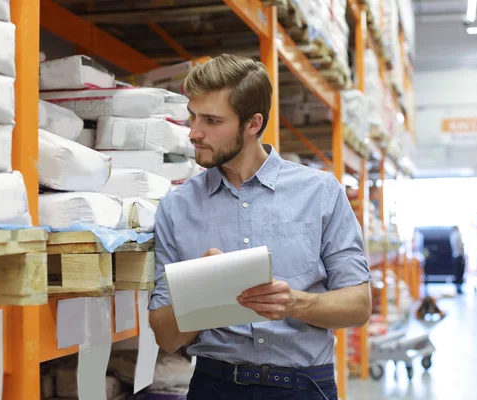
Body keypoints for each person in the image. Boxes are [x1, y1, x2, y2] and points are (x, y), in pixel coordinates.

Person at [148, 54, 372, 400]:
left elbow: (358, 305)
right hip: (215, 386)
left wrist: (294, 303)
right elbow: (165, 336)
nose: (194, 132)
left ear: (252, 124)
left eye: (211, 120)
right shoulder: (176, 207)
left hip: (303, 386)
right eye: (192, 116)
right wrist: (201, 293)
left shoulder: (320, 192)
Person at [449, 225, 466, 294]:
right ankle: (459, 287)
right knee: (460, 272)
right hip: (459, 256)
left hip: (455, 255)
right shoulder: (458, 235)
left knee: (456, 272)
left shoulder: (452, 235)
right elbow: (460, 246)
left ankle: (457, 287)